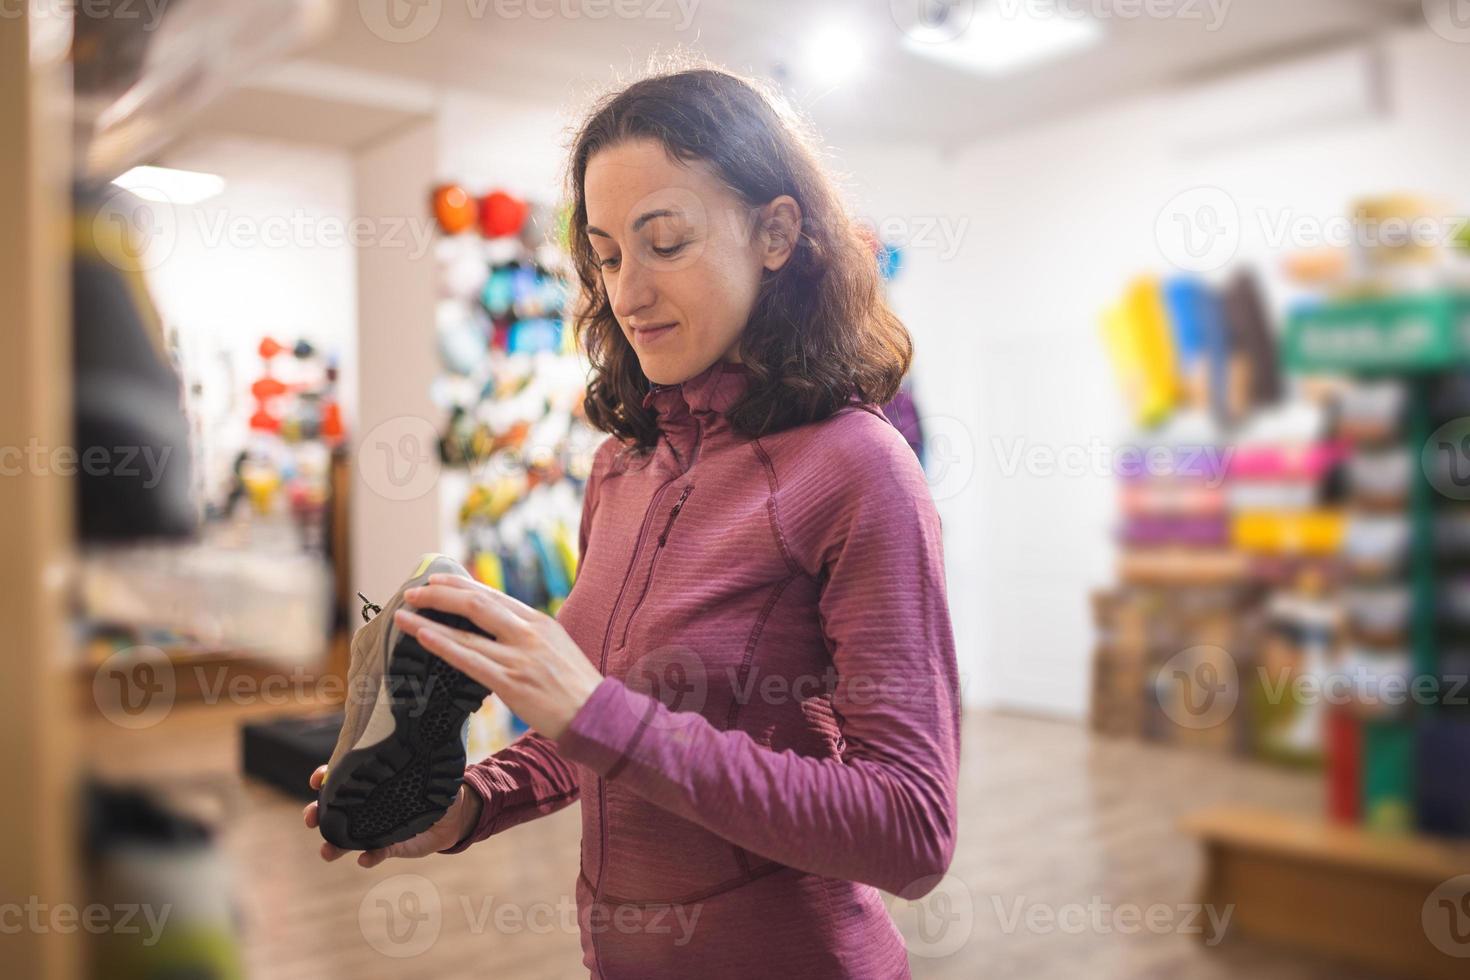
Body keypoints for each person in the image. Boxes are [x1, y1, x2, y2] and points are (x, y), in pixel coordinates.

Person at [304, 63, 961, 978]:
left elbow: (912, 830)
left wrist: (598, 712)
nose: (628, 293)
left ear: (776, 231)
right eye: (608, 256)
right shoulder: (626, 464)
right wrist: (464, 808)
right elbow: (594, 733)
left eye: (666, 244)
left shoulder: (858, 469)